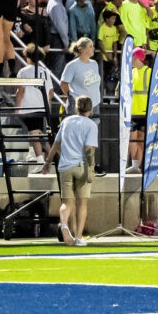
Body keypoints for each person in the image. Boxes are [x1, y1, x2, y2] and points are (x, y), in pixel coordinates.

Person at [53, 93, 100, 245]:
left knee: (66, 202)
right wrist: (91, 167)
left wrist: (47, 162)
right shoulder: (91, 125)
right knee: (82, 202)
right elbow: (89, 149)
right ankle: (79, 236)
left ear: (76, 108)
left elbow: (56, 143)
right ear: (90, 110)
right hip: (82, 166)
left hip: (65, 166)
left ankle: (64, 225)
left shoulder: (66, 121)